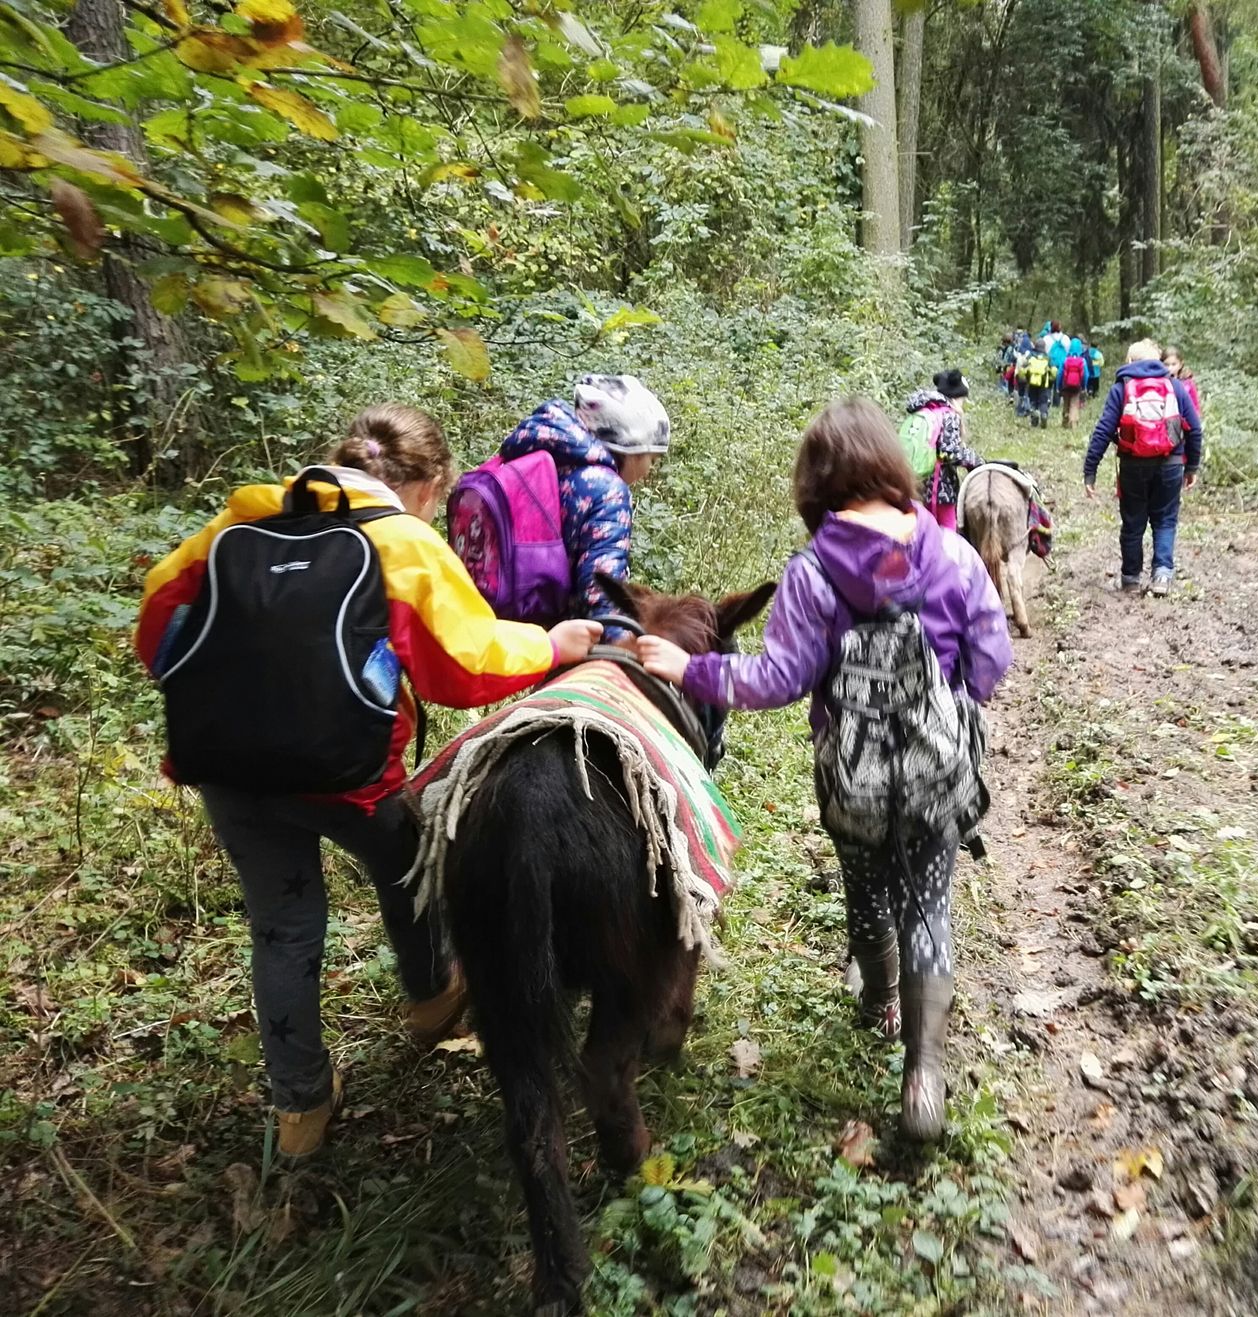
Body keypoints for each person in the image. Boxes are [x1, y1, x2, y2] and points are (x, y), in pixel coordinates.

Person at [136, 405, 603, 1159]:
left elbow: (157, 620)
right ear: (430, 482)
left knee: (281, 929)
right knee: (413, 868)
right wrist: (551, 643)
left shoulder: (234, 528)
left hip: (227, 772)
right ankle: (430, 1000)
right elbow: (468, 663)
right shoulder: (401, 543)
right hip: (347, 777)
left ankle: (300, 1113)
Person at [636, 398, 1012, 1140]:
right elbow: (992, 662)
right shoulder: (955, 555)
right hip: (938, 775)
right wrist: (951, 697)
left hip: (852, 779)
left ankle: (877, 1002)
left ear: (817, 485)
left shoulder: (811, 574)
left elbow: (777, 679)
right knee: (930, 908)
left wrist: (690, 668)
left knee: (869, 898)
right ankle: (924, 1074)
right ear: (890, 468)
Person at [497, 375, 669, 628]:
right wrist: (619, 643)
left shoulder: (533, 461)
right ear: (630, 449)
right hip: (556, 636)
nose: (649, 471)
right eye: (651, 460)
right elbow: (601, 588)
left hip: (494, 621)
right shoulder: (607, 489)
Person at [1083, 340, 1204, 596]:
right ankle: (1161, 575)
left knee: (1133, 522)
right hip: (1171, 463)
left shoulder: (1122, 388)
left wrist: (1090, 470)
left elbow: (1103, 430)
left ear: (1130, 362)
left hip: (1133, 465)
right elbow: (1193, 428)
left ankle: (1130, 579)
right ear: (1158, 362)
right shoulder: (1174, 386)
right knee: (1165, 520)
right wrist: (1191, 466)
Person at [901, 369, 981, 531]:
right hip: (940, 488)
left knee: (922, 529)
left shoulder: (923, 411)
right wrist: (977, 461)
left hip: (916, 482)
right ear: (957, 396)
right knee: (948, 533)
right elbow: (950, 452)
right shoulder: (949, 415)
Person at [1163, 345, 1201, 416]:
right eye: (1166, 365)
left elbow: (1195, 407)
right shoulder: (1160, 382)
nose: (1170, 368)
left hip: (1184, 421)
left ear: (1180, 364)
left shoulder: (1188, 383)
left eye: (1174, 364)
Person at [1060, 337, 1089, 428]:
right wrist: (1084, 386)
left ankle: (1065, 419)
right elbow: (1085, 375)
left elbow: (1060, 374)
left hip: (1066, 385)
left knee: (1066, 402)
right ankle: (1073, 423)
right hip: (1077, 386)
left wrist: (1059, 386)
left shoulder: (1065, 359)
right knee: (1074, 404)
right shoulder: (1082, 361)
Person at [1023, 344, 1054, 427]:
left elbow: (1023, 367)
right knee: (1043, 401)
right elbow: (1053, 370)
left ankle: (1034, 416)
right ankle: (1044, 414)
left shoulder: (1031, 356)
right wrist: (1051, 380)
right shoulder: (1047, 357)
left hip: (1032, 383)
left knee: (1033, 400)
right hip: (1044, 384)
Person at [1047, 327, 1070, 410]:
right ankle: (1056, 403)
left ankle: (1048, 399)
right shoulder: (1066, 338)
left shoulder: (1047, 338)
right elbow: (1068, 351)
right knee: (1058, 384)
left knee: (1048, 383)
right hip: (1061, 364)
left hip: (1050, 364)